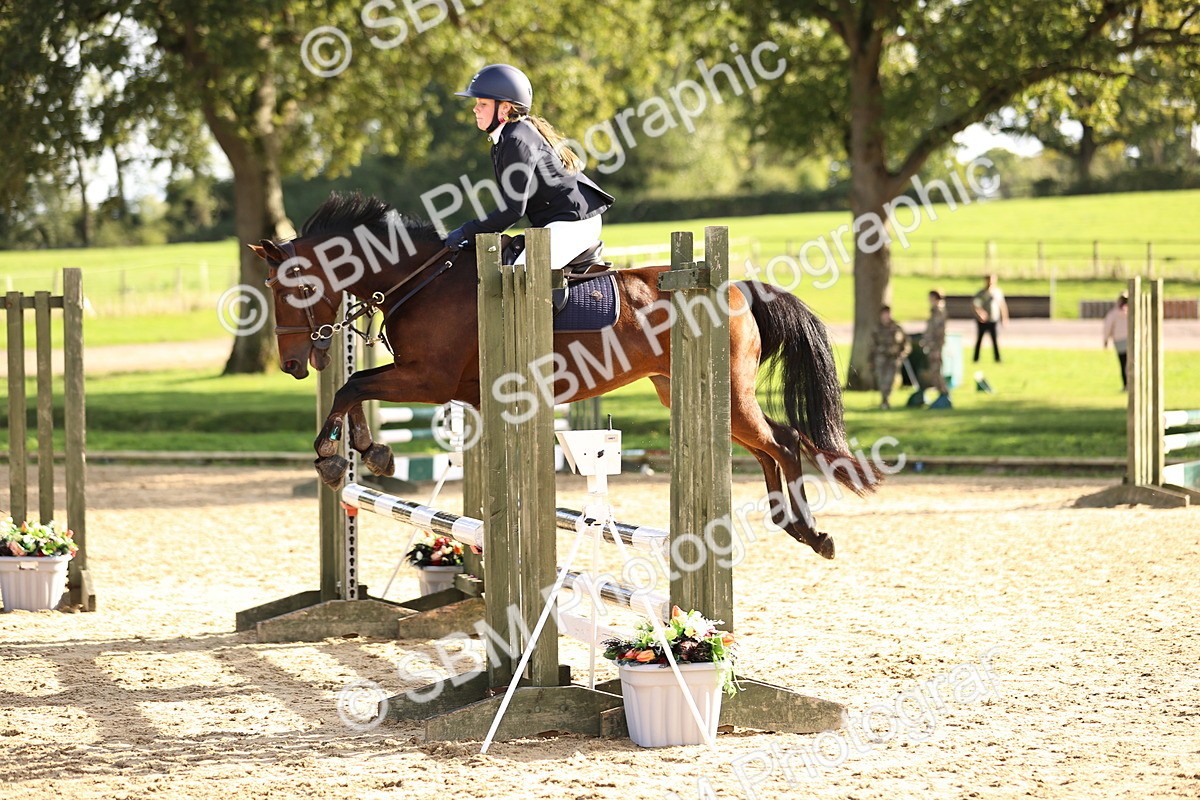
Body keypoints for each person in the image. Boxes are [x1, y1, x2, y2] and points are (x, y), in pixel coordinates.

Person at [444, 64, 614, 269]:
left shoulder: (516, 140)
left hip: (574, 224)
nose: (475, 108)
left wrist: (466, 231)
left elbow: (513, 210)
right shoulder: (507, 138)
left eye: (483, 103)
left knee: (521, 276)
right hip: (559, 223)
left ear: (505, 107)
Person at [870, 305, 911, 410]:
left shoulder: (897, 328)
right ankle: (884, 400)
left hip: (893, 358)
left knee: (890, 380)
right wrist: (871, 359)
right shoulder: (877, 328)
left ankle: (886, 400)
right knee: (881, 380)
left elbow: (905, 343)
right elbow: (872, 344)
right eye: (884, 314)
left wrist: (903, 353)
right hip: (880, 358)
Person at [972, 274, 1009, 362]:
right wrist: (980, 313)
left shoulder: (997, 292)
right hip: (983, 320)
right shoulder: (981, 293)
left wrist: (1004, 318)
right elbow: (975, 304)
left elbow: (1002, 305)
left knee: (995, 340)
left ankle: (997, 358)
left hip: (993, 319)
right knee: (979, 340)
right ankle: (976, 358)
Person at [924, 290, 950, 406]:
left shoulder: (938, 312)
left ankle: (944, 393)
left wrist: (936, 348)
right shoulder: (935, 311)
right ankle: (941, 392)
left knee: (937, 370)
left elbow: (939, 332)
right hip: (933, 346)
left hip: (936, 347)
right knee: (934, 371)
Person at [1102, 293, 1130, 390]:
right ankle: (1130, 384)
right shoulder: (1133, 312)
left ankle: (1126, 384)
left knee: (1123, 364)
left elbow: (1107, 327)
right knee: (1130, 364)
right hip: (1130, 340)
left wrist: (1106, 340)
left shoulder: (1113, 313)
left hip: (1120, 341)